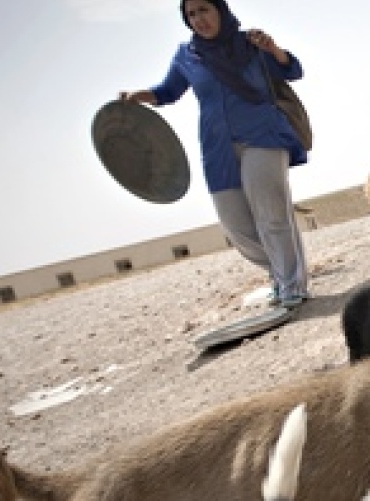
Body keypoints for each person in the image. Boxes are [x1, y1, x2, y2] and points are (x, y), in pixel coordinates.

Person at [121, 0, 310, 308]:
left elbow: (293, 70)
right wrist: (140, 95)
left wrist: (273, 48)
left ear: (220, 11)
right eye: (191, 14)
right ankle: (279, 273)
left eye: (204, 10)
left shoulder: (251, 43)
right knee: (236, 226)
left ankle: (292, 286)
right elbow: (168, 91)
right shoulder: (187, 56)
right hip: (216, 148)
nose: (199, 19)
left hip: (263, 135)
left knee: (272, 215)